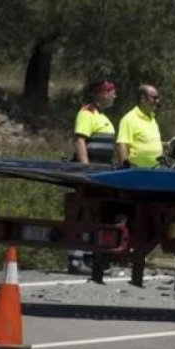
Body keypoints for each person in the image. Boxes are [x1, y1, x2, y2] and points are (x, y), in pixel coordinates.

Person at [68, 78, 118, 274]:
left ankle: (90, 258)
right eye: (112, 91)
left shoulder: (103, 116)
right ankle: (75, 259)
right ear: (103, 93)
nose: (115, 95)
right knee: (82, 215)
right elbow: (80, 141)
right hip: (90, 174)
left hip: (102, 173)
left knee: (94, 215)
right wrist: (85, 168)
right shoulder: (86, 113)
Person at [116, 84, 164, 168]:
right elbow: (122, 146)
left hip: (155, 172)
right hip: (138, 174)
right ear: (142, 98)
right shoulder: (129, 119)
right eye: (154, 98)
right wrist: (125, 171)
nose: (157, 101)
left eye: (158, 98)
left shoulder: (152, 119)